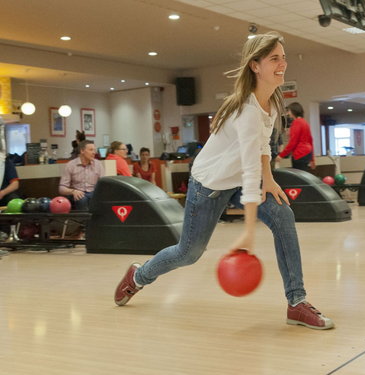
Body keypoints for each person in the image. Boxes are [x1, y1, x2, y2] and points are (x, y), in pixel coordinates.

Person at [114, 32, 334, 330]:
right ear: (255, 65)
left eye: (283, 57)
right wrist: (247, 230)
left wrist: (269, 179)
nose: (282, 64)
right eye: (274, 59)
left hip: (242, 180)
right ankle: (139, 276)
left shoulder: (271, 102)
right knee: (188, 253)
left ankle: (296, 302)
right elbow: (248, 164)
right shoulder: (245, 110)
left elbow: (263, 146)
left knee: (284, 216)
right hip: (210, 184)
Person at [59, 140, 105, 211]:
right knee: (81, 199)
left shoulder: (98, 164)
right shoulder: (70, 165)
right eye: (91, 150)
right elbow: (62, 188)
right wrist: (73, 191)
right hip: (78, 192)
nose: (94, 153)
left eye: (94, 150)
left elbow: (103, 184)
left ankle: (98, 220)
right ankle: (83, 221)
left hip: (93, 192)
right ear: (82, 151)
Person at [275, 102, 315, 171]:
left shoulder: (296, 122)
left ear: (294, 111)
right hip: (307, 153)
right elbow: (310, 140)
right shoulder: (304, 122)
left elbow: (293, 142)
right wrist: (312, 159)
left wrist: (281, 155)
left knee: (299, 178)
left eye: (289, 111)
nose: (288, 113)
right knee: (303, 176)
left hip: (300, 154)